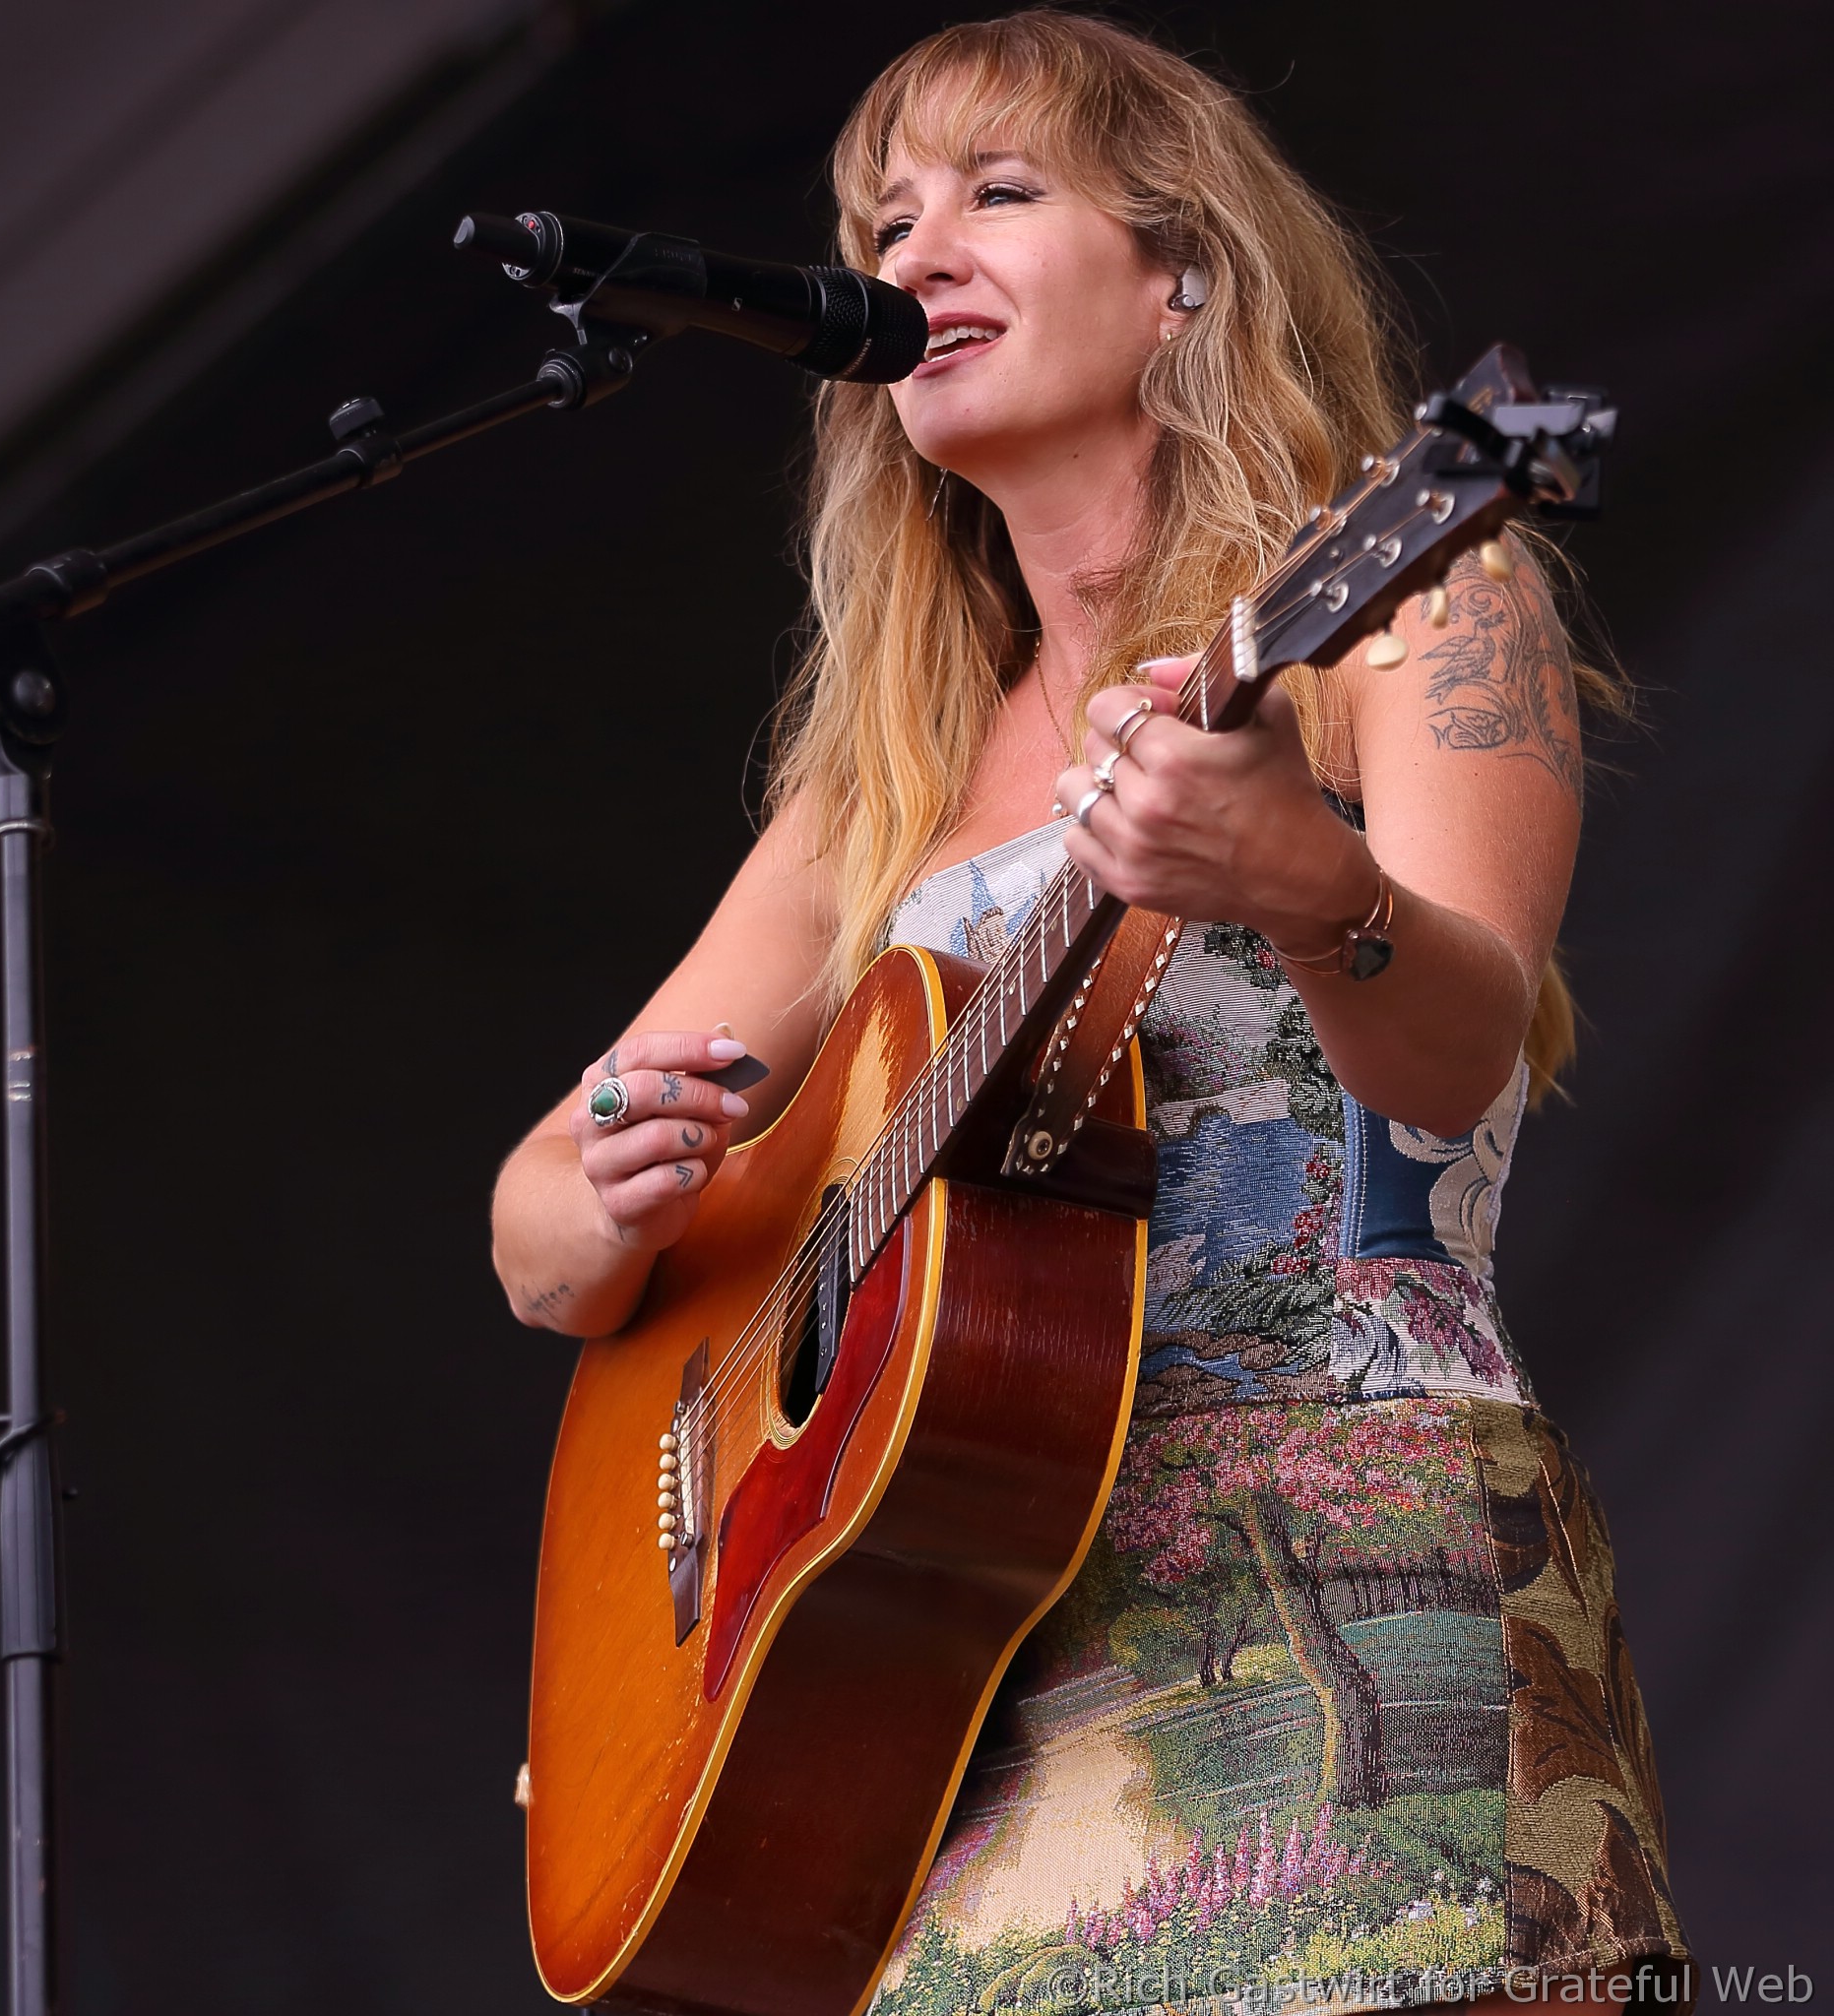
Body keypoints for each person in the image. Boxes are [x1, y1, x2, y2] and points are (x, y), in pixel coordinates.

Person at [491, 12, 1690, 2007]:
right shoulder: (879, 781)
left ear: (1181, 273)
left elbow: (1458, 1052)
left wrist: (1304, 881)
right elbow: (535, 1235)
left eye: (997, 191)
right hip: (960, 1674)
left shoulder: (1410, 608)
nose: (916, 254)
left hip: (1355, 1570)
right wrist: (612, 1190)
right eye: (886, 222)